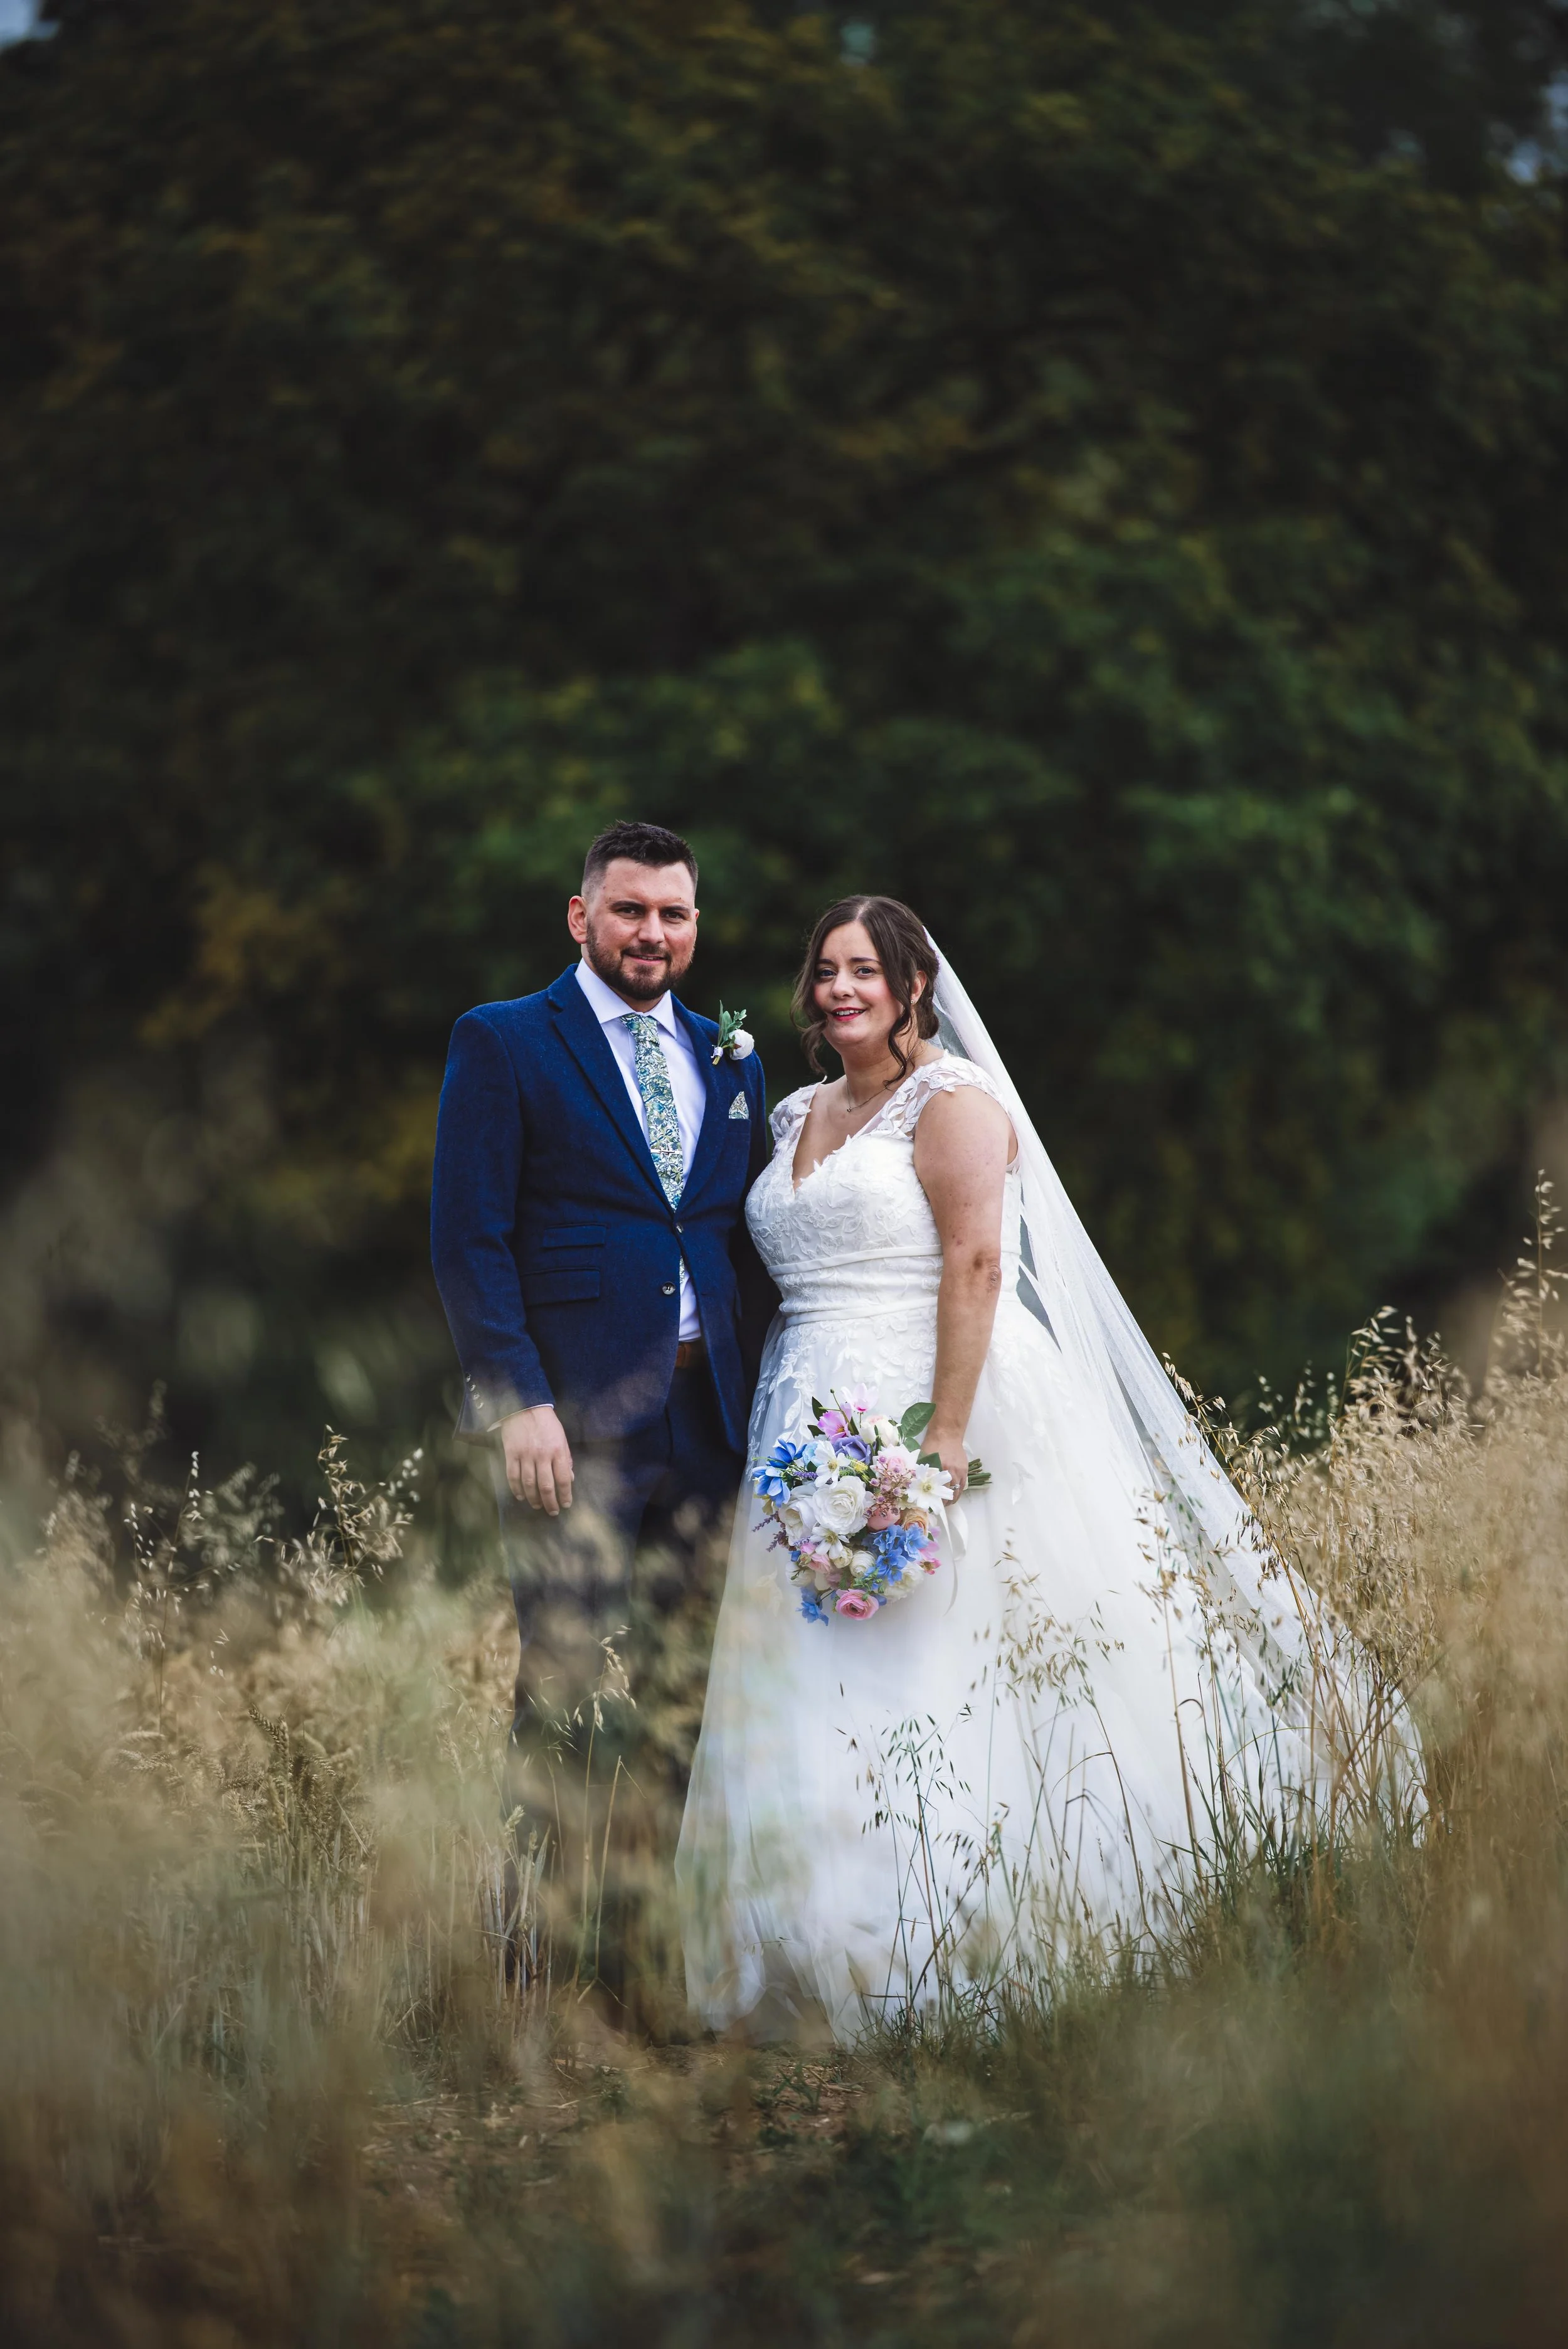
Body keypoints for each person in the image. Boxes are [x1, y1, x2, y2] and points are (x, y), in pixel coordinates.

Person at [676, 896, 1420, 2041]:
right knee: (813, 1671)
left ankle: (946, 1940)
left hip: (932, 1397)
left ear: (914, 986)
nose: (840, 991)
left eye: (865, 971)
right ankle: (809, 1940)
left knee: (931, 1657)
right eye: (825, 970)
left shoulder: (955, 1104)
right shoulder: (790, 1114)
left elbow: (976, 1263)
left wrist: (944, 1438)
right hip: (804, 1413)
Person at [430, 820, 775, 1796]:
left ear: (695, 926)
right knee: (568, 1694)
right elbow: (468, 1240)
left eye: (673, 914)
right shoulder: (502, 1039)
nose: (650, 932)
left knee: (686, 1700)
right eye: (629, 910)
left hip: (711, 1424)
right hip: (570, 1427)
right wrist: (518, 1403)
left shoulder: (732, 1059)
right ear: (582, 916)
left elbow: (742, 1246)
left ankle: (641, 1947)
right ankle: (537, 1953)